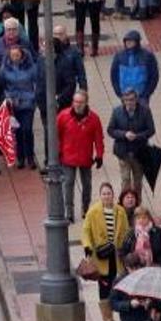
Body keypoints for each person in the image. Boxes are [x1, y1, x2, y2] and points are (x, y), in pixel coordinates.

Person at [81, 181, 129, 321]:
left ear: (113, 195)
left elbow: (126, 231)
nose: (106, 196)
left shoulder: (120, 211)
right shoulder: (93, 212)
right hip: (101, 255)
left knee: (117, 283)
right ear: (100, 196)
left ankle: (117, 312)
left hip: (116, 255)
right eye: (104, 194)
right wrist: (88, 247)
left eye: (109, 193)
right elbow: (86, 230)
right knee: (104, 285)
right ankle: (107, 318)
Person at [57, 91, 104, 223]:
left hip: (85, 157)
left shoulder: (94, 118)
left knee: (87, 185)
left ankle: (85, 208)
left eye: (80, 102)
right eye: (75, 102)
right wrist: (59, 152)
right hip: (68, 157)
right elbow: (57, 135)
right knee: (68, 184)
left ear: (86, 103)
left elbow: (98, 138)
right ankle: (69, 211)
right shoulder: (63, 116)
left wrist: (99, 155)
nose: (77, 105)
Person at [107, 88, 155, 197]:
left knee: (138, 182)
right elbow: (111, 130)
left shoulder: (145, 111)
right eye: (127, 100)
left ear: (136, 99)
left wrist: (137, 136)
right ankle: (125, 206)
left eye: (132, 99)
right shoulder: (117, 112)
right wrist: (124, 134)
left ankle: (137, 205)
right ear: (123, 100)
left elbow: (151, 130)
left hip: (139, 152)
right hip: (123, 152)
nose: (129, 102)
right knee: (125, 180)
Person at [109, 31, 159, 105]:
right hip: (125, 95)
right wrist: (119, 93)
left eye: (131, 41)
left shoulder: (148, 56)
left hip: (142, 96)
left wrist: (146, 93)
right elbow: (114, 76)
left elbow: (154, 76)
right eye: (127, 41)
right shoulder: (119, 56)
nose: (128, 43)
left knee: (143, 115)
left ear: (137, 42)